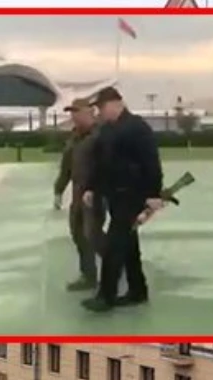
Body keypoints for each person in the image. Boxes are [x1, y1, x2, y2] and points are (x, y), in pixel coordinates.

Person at [79, 86, 163, 313]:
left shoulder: (137, 128)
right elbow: (101, 163)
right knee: (128, 246)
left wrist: (154, 194)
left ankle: (106, 296)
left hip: (132, 195)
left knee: (115, 246)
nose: (100, 112)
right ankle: (137, 290)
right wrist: (91, 188)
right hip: (115, 196)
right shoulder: (108, 131)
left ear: (117, 103)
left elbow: (151, 163)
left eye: (102, 107)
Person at [53, 97, 105, 292]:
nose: (73, 116)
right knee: (78, 235)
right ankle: (89, 276)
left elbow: (108, 165)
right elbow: (66, 167)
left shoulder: (101, 136)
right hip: (77, 194)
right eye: (71, 112)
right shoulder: (74, 138)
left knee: (92, 234)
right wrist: (59, 190)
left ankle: (117, 262)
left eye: (77, 111)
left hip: (96, 194)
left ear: (89, 112)